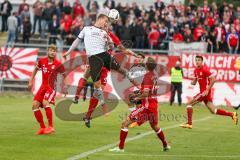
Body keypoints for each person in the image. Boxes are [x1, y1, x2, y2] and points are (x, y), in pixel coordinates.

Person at [64, 14, 138, 110]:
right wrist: (68, 52)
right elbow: (77, 41)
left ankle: (134, 89)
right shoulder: (88, 29)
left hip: (105, 58)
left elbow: (118, 48)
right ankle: (78, 98)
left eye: (108, 23)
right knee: (89, 78)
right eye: (106, 22)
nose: (107, 25)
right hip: (94, 59)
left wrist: (110, 42)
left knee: (97, 81)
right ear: (101, 20)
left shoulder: (107, 33)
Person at [109, 57, 171, 152]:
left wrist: (136, 98)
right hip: (154, 105)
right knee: (155, 126)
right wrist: (137, 93)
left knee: (124, 124)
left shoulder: (147, 76)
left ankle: (120, 148)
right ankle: (165, 145)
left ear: (146, 65)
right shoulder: (154, 75)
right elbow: (148, 91)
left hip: (146, 107)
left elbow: (146, 93)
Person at [180, 55, 238, 129]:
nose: (197, 62)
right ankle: (232, 114)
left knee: (189, 104)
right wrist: (191, 80)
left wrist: (207, 90)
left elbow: (213, 79)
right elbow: (194, 83)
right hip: (204, 93)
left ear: (202, 61)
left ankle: (189, 123)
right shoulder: (196, 70)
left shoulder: (205, 69)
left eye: (199, 60)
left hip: (204, 93)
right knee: (213, 110)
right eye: (196, 60)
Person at [28, 45, 67, 135]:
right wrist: (31, 81)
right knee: (34, 105)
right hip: (43, 86)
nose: (52, 52)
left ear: (55, 53)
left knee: (45, 102)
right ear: (48, 51)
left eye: (54, 51)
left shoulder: (58, 64)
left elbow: (65, 76)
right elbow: (35, 70)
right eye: (51, 50)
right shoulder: (42, 61)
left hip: (52, 87)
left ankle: (50, 127)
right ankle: (42, 128)